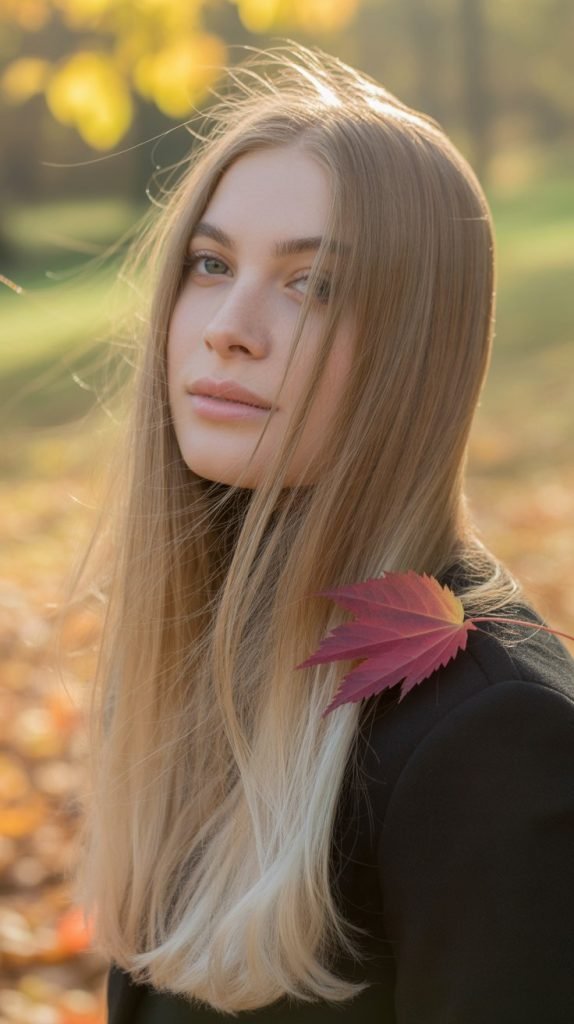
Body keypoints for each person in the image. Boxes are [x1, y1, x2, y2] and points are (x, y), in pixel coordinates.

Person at [67, 40, 574, 1022]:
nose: (230, 325)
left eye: (315, 284)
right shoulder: (196, 656)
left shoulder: (494, 745)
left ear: (416, 348)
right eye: (210, 264)